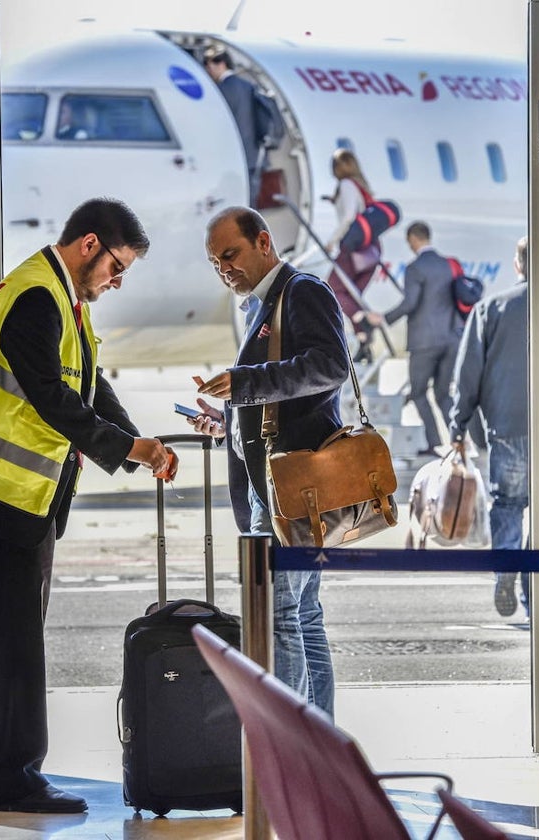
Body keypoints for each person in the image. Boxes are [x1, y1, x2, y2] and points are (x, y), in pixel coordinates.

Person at [0, 198, 178, 813]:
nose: (117, 282)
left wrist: (137, 445)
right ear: (90, 244)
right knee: (12, 641)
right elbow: (51, 398)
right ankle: (14, 778)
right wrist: (128, 447)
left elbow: (89, 385)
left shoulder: (57, 295)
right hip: (3, 491)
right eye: (117, 267)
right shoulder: (37, 296)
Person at [189, 205, 349, 717]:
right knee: (302, 616)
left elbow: (330, 365)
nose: (224, 269)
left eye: (230, 255)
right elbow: (275, 403)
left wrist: (245, 384)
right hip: (276, 485)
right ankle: (322, 747)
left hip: (293, 486)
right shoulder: (263, 305)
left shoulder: (302, 291)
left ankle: (293, 755)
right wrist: (226, 422)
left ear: (263, 242)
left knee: (284, 617)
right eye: (216, 263)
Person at [449, 236, 530, 618]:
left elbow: (468, 374)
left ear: (517, 265)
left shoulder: (491, 308)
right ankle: (535, 587)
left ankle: (506, 569)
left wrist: (457, 424)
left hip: (507, 425)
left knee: (509, 504)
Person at [364, 221, 464, 458]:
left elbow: (411, 303)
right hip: (451, 339)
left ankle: (434, 442)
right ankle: (459, 440)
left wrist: (383, 318)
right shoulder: (448, 265)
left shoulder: (415, 267)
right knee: (443, 394)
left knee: (418, 392)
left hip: (425, 342)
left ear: (413, 239)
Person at [323, 148, 383, 363]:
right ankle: (364, 340)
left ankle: (363, 323)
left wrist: (331, 240)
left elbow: (349, 216)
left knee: (332, 290)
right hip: (370, 249)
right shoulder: (360, 185)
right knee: (350, 295)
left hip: (354, 248)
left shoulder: (346, 185)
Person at [203, 46, 267, 206]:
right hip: (252, 156)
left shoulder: (219, 90)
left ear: (219, 64)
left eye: (208, 66)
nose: (208, 72)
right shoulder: (248, 86)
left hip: (230, 158)